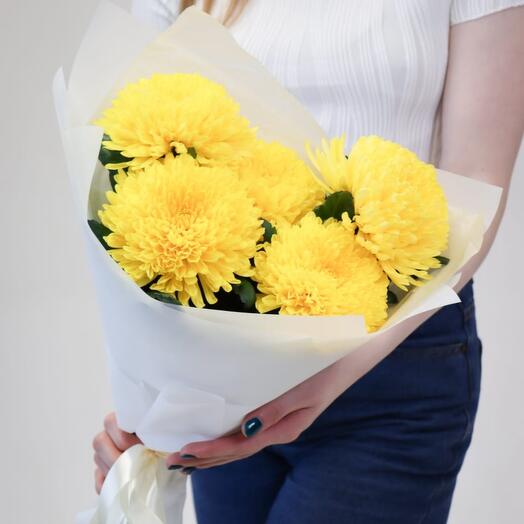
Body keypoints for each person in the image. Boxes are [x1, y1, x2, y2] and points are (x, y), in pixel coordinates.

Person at [91, 1, 524, 522]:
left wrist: (326, 378)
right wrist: (147, 405)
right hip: (233, 362)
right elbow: (137, 172)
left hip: (396, 362)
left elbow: (476, 184)